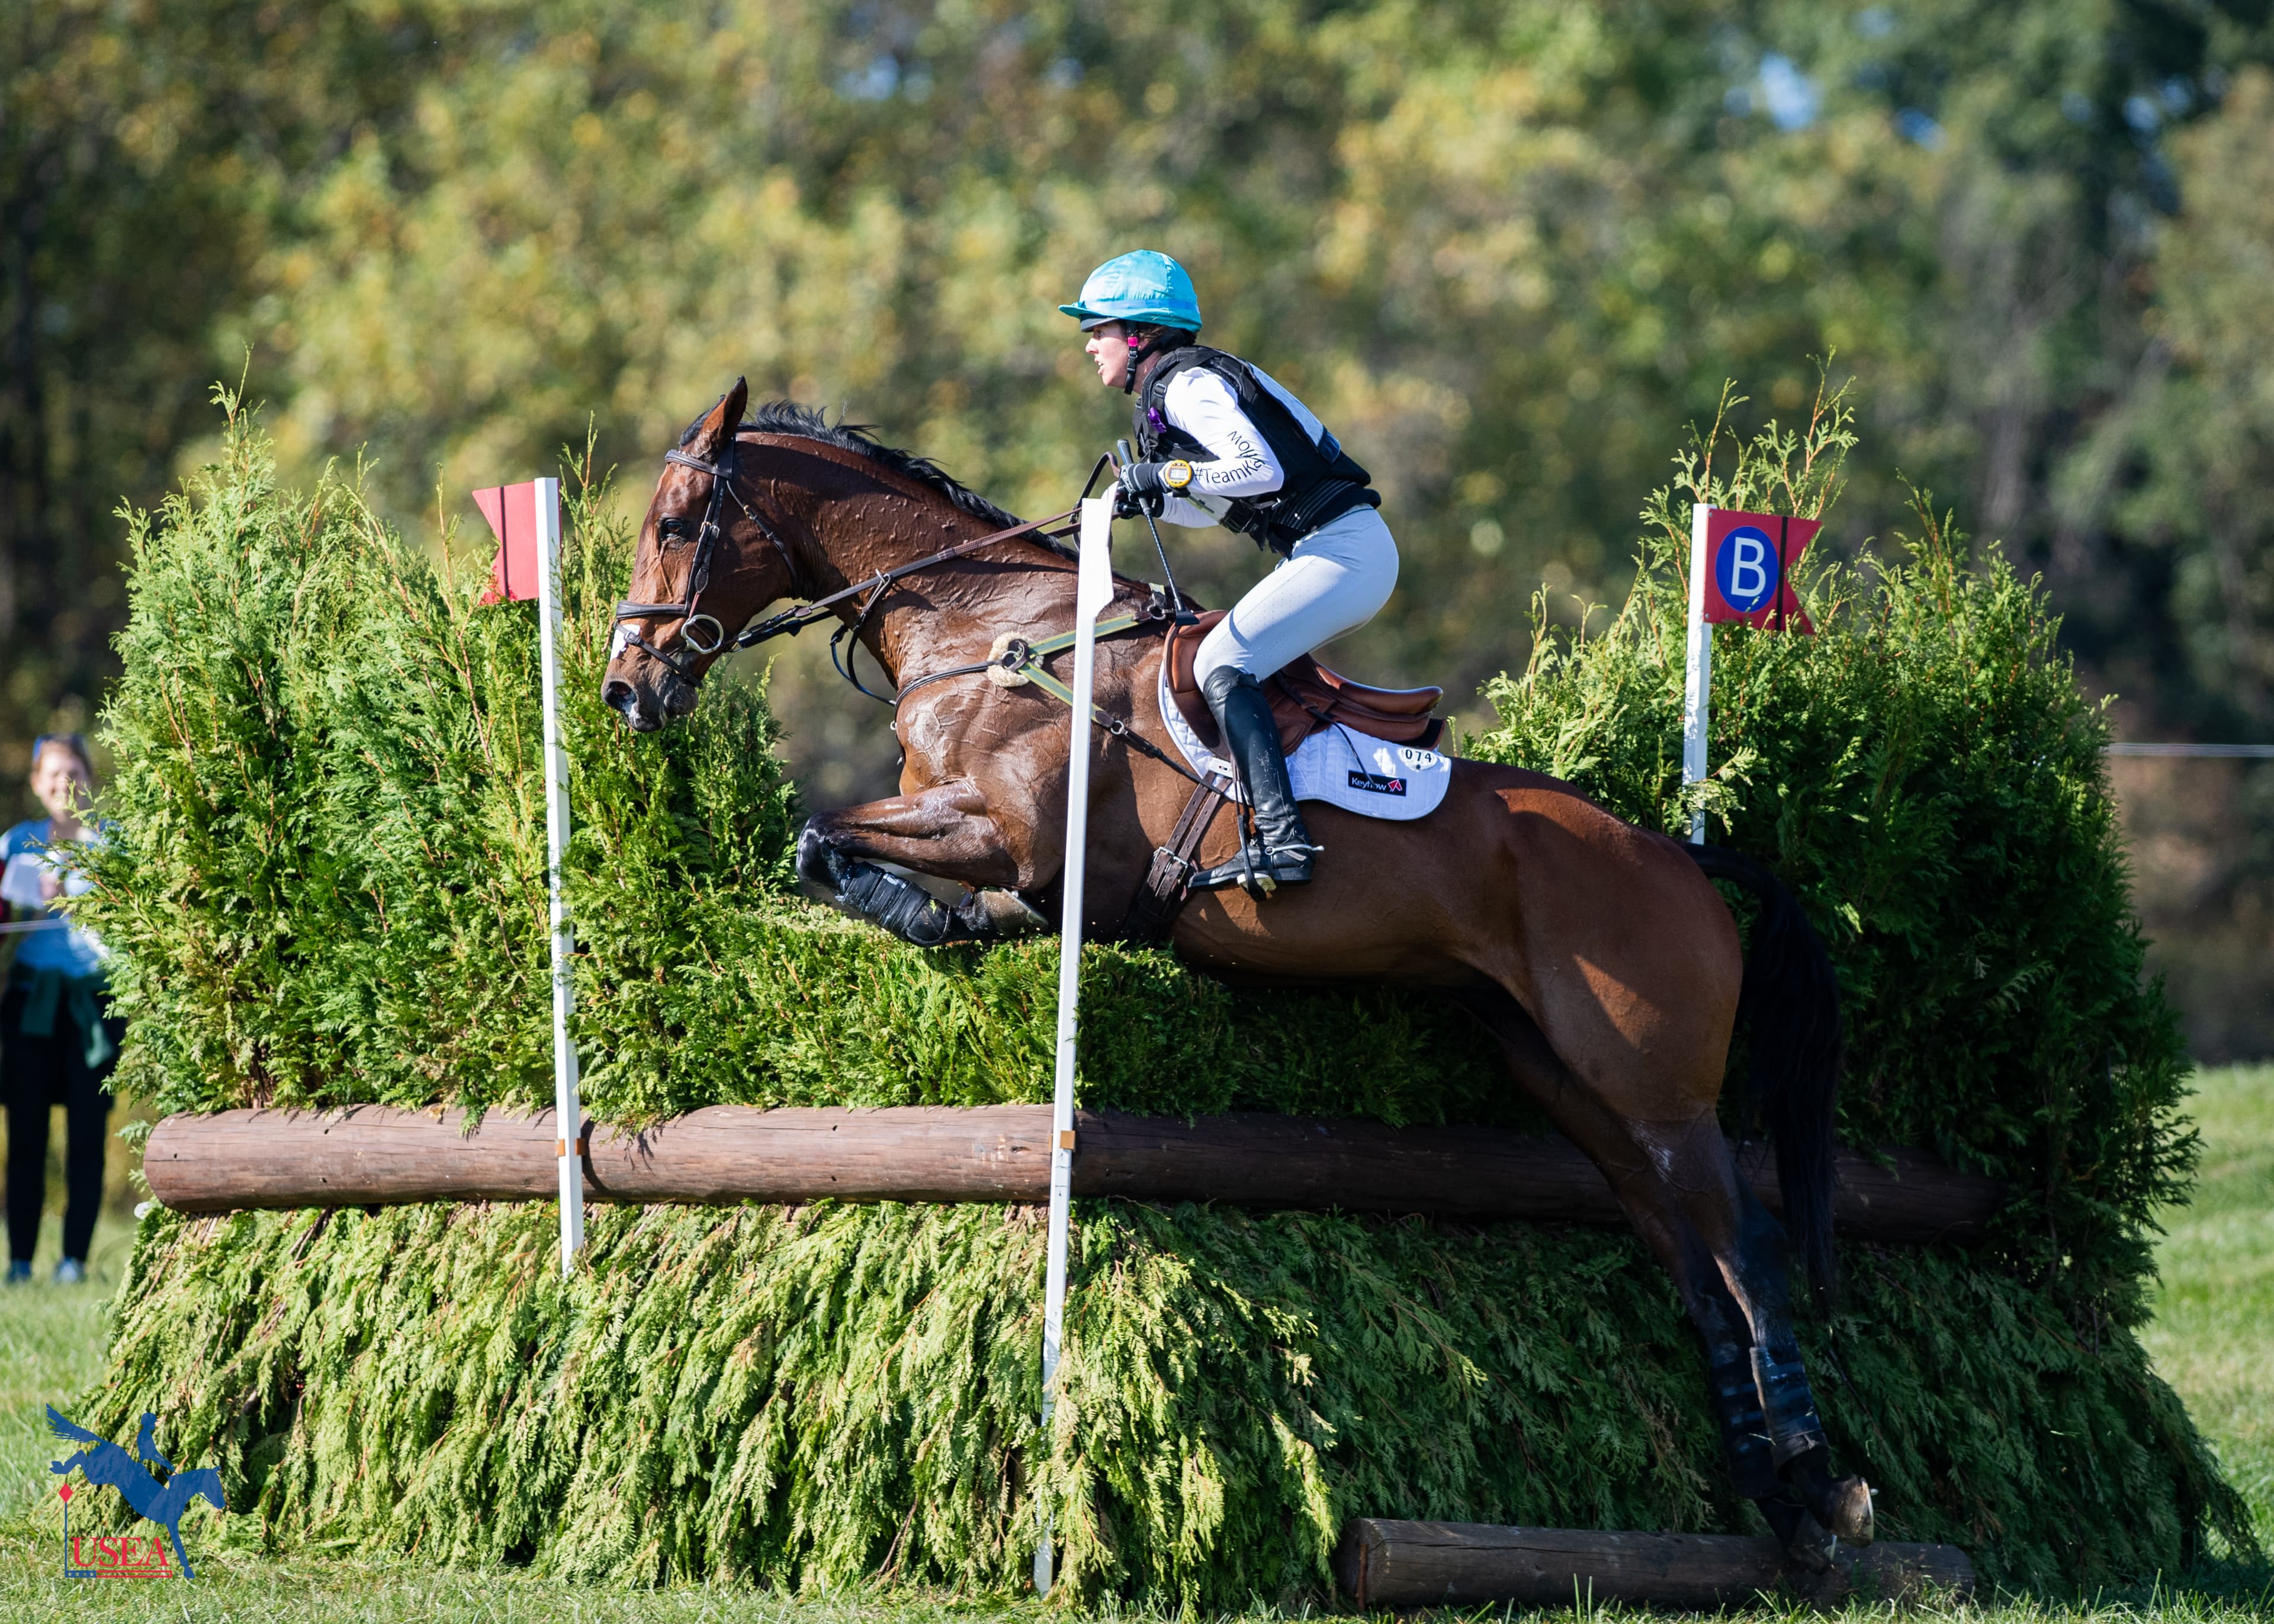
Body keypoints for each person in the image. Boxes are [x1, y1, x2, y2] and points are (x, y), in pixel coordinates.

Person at [1061, 249, 1399, 896]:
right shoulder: (1172, 390)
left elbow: (1261, 469)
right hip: (1331, 551)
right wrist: (1156, 497)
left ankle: (1283, 841)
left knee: (1221, 659)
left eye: (1098, 329)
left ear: (1140, 334)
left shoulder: (1188, 385)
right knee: (1221, 658)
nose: (1089, 345)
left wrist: (1168, 474)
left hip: (1345, 549)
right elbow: (1216, 503)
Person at [1, 734, 122, 1284]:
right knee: (26, 1133)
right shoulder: (14, 845)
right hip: (30, 1004)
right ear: (36, 783)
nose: (63, 783)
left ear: (89, 778)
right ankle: (20, 1262)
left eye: (72, 772)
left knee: (87, 1134)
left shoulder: (113, 843)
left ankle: (73, 1261)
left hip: (94, 1006)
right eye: (52, 774)